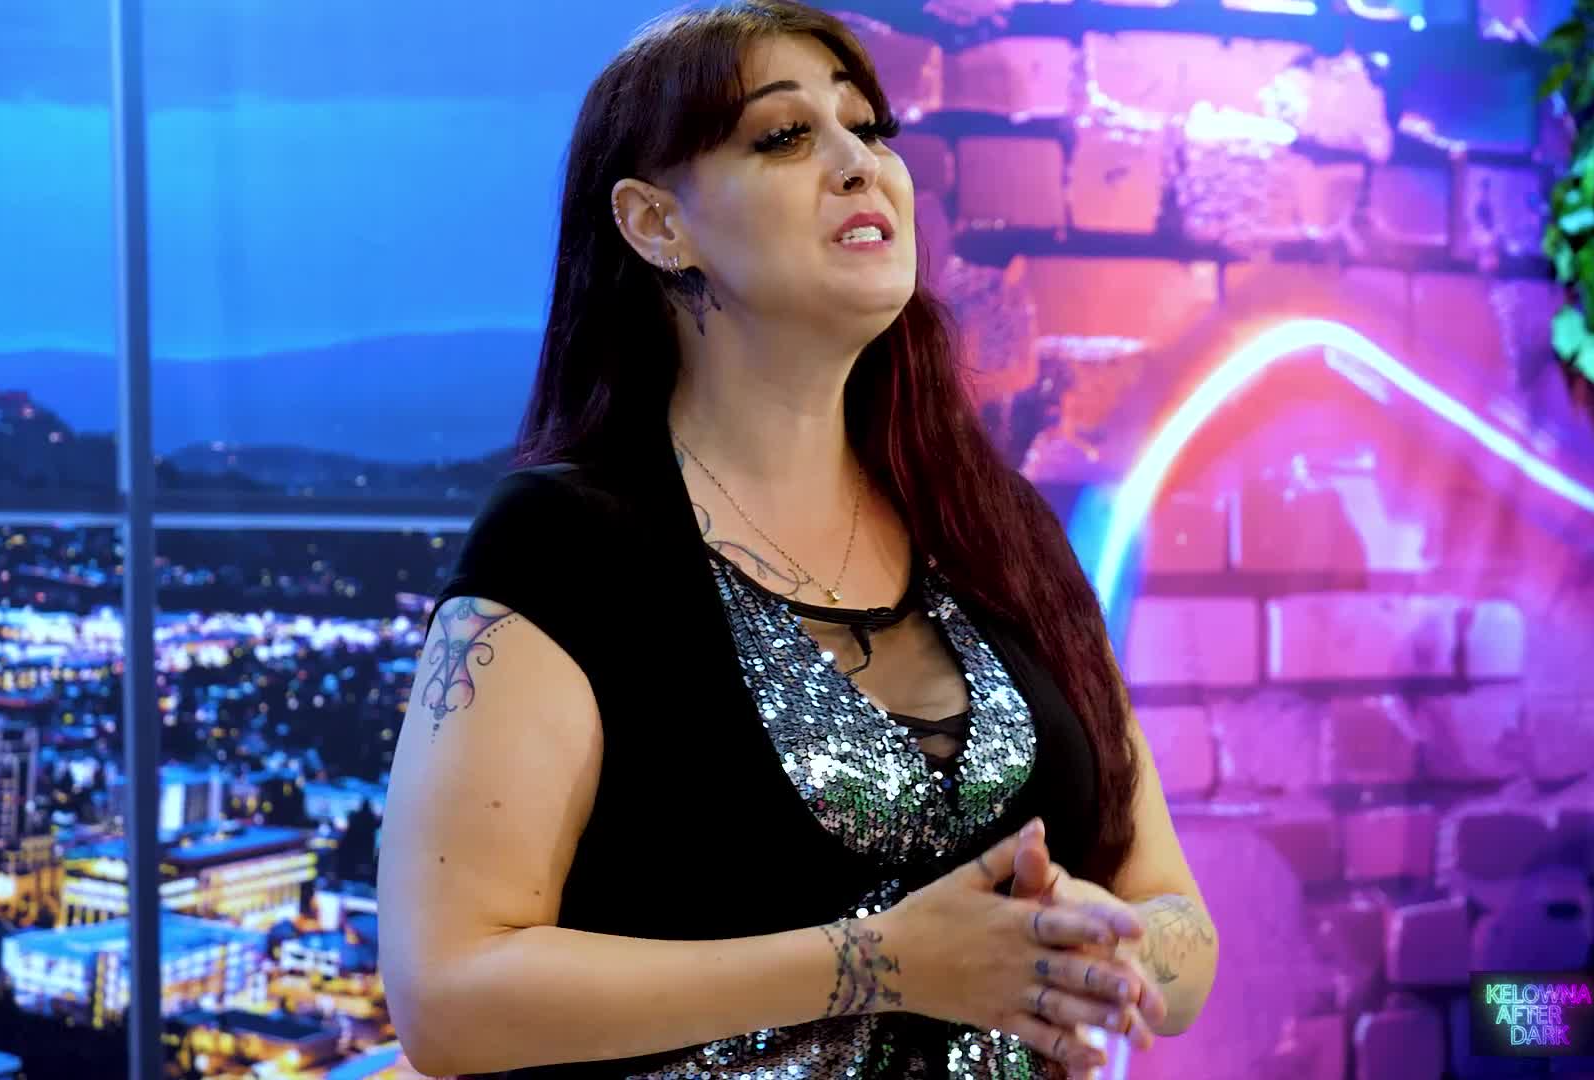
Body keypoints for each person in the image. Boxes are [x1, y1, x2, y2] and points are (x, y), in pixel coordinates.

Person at [375, 3, 1218, 1077]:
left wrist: (1091, 945)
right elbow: (446, 997)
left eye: (868, 128)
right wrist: (882, 962)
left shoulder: (997, 528)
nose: (859, 164)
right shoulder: (568, 541)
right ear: (655, 224)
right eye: (784, 136)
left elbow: (1181, 931)